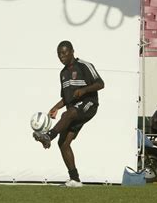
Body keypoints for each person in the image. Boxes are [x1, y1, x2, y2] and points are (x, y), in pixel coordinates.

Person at [33, 40, 104, 187]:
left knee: (69, 114)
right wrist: (56, 107)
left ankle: (48, 136)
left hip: (89, 104)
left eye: (64, 52)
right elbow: (66, 98)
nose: (62, 56)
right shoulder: (63, 73)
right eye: (59, 54)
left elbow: (100, 84)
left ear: (72, 51)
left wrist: (84, 90)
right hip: (74, 109)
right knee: (63, 143)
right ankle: (75, 179)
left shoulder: (84, 65)